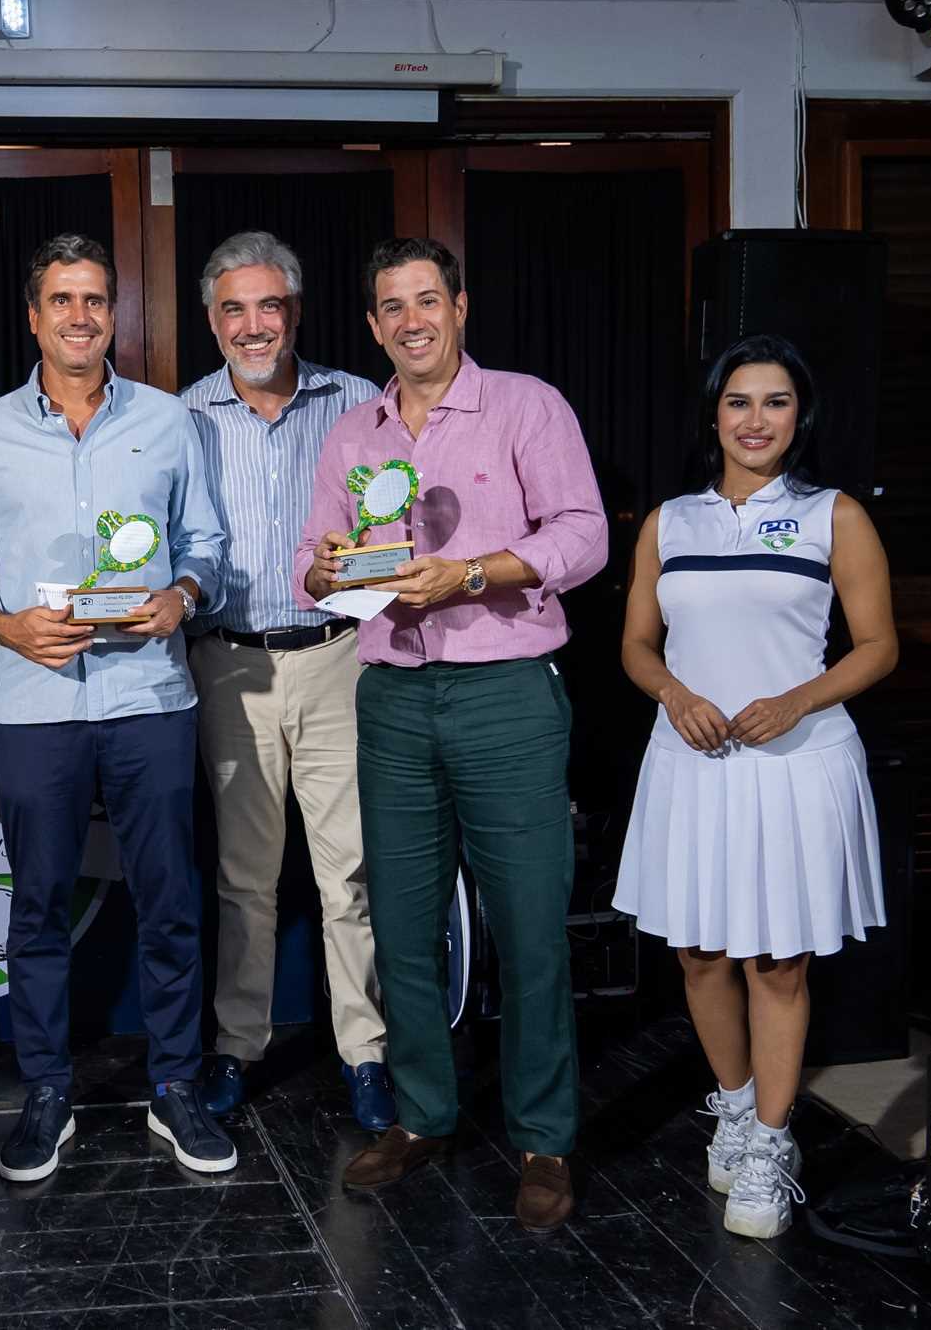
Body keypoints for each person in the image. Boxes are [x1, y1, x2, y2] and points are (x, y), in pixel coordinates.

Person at [295, 236, 607, 1231]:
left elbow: (585, 534)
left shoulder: (526, 404)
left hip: (505, 690)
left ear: (460, 306)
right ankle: (424, 1112)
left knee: (528, 924)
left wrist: (472, 573)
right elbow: (313, 558)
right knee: (403, 917)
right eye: (391, 306)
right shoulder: (354, 432)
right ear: (374, 323)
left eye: (427, 300)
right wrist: (327, 571)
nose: (410, 320)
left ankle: (545, 1136)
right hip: (390, 695)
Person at [0, 233, 232, 1182]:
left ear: (116, 313)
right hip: (34, 701)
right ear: (33, 316)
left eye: (95, 299)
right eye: (61, 300)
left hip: (149, 694)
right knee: (39, 908)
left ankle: (176, 1087)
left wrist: (181, 597)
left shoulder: (166, 421)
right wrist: (2, 627)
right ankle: (48, 1092)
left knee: (170, 901)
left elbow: (207, 542)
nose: (79, 316)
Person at [615, 333, 896, 1240]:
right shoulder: (671, 520)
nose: (756, 420)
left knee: (777, 961)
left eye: (776, 402)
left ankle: (774, 1143)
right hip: (691, 763)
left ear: (800, 416)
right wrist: (675, 695)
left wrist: (796, 699)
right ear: (714, 415)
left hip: (795, 763)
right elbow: (634, 645)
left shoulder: (835, 516)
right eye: (740, 402)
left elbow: (878, 646)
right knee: (699, 953)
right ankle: (734, 1112)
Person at [177, 230, 392, 1130]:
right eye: (234, 309)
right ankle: (237, 1048)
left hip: (341, 654)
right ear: (212, 320)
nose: (254, 325)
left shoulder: (360, 402)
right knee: (244, 878)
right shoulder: (180, 416)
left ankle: (368, 1055)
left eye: (270, 307)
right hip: (229, 663)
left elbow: (397, 525)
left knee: (350, 875)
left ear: (295, 312)